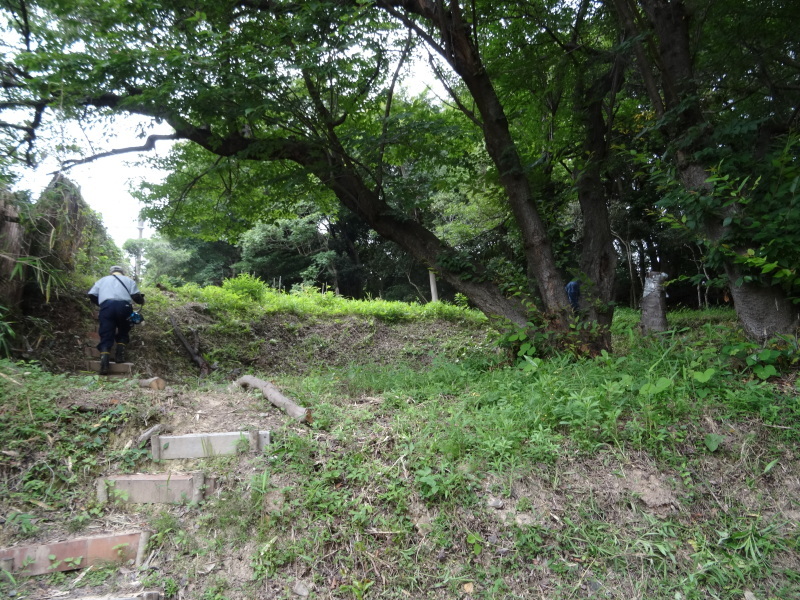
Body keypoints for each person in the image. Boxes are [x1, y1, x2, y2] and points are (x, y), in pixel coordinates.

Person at [88, 266, 145, 375]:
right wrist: (142, 301)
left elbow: (91, 294)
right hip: (124, 306)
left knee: (106, 332)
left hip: (107, 307)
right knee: (124, 329)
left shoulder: (102, 280)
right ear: (122, 272)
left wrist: (100, 303)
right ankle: (119, 356)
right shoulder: (129, 280)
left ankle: (104, 364)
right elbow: (136, 296)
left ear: (111, 272)